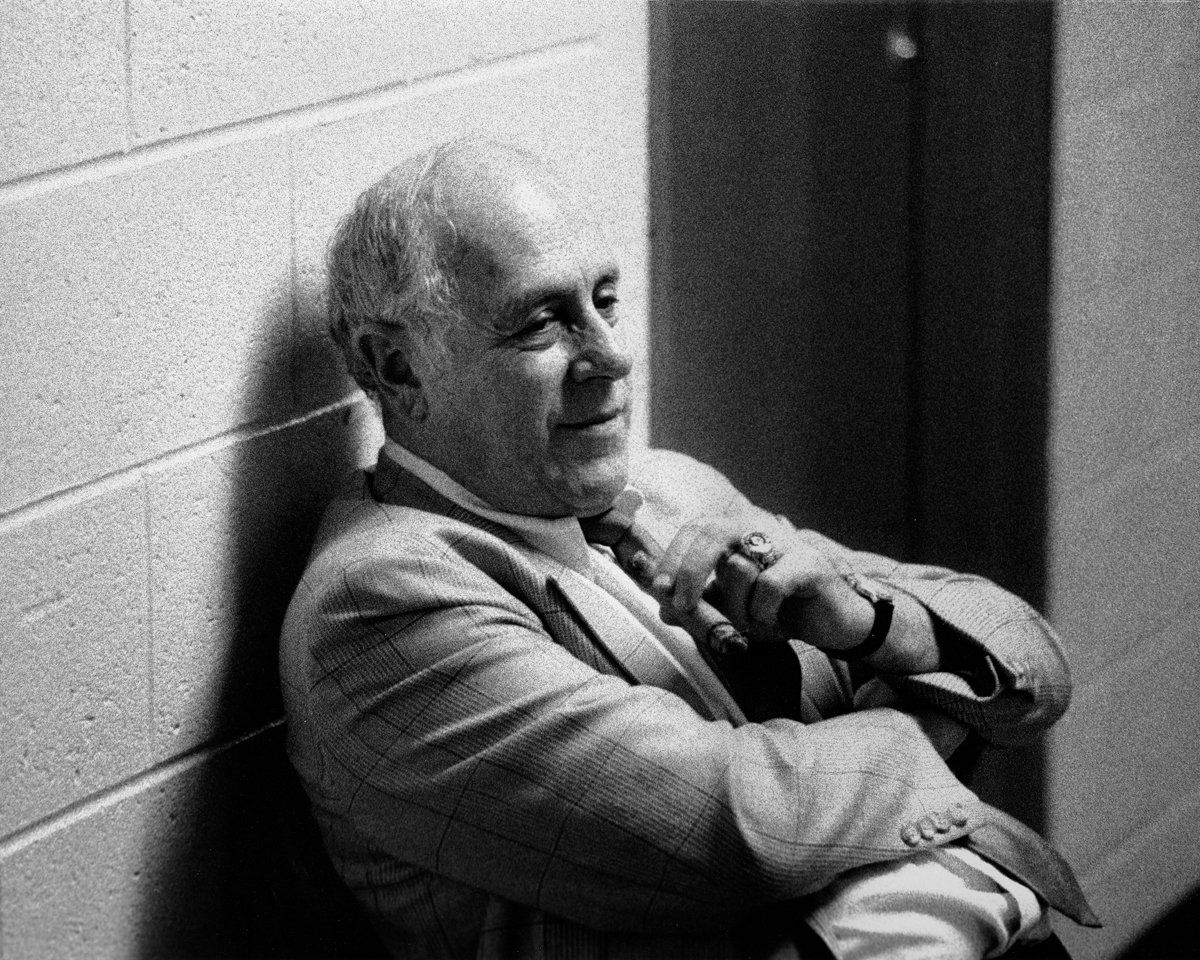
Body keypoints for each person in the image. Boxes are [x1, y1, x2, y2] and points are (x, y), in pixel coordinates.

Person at [280, 139, 1098, 959]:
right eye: (542, 322)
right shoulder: (378, 600)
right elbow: (740, 830)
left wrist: (871, 627)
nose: (612, 354)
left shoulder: (669, 487)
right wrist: (947, 710)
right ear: (398, 367)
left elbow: (1033, 664)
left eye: (606, 299)